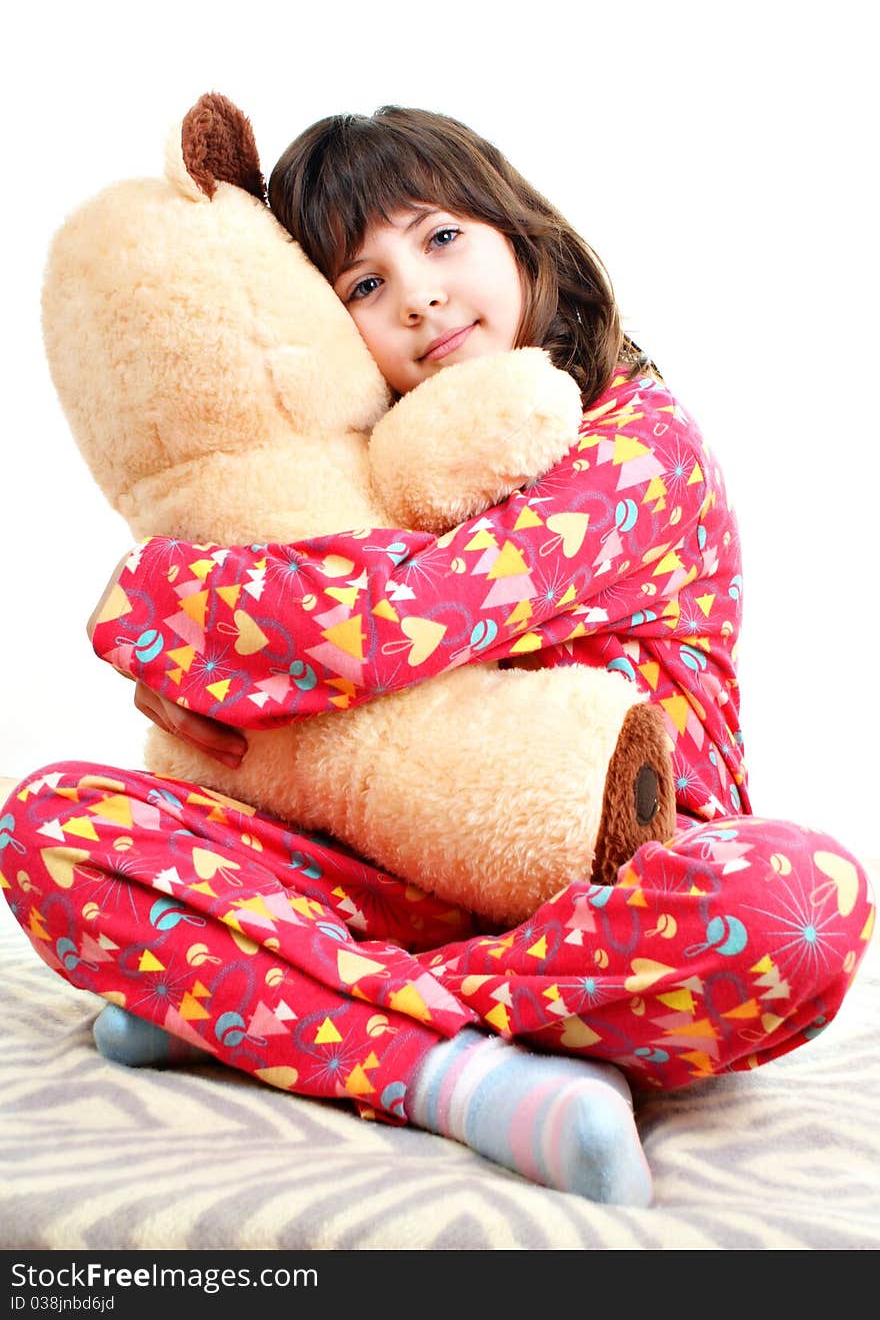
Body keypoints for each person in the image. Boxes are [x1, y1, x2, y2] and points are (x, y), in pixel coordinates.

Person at [2, 106, 873, 1209]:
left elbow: (393, 623)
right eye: (361, 286)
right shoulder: (367, 468)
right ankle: (458, 1075)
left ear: (518, 234)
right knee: (50, 822)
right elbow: (298, 669)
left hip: (611, 883)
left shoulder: (635, 437)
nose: (414, 291)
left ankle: (277, 1006)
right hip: (389, 882)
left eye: (440, 238)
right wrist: (209, 668)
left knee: (801, 900)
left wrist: (150, 606)